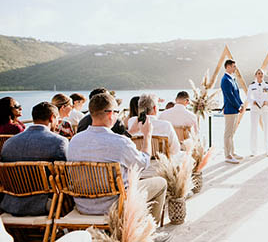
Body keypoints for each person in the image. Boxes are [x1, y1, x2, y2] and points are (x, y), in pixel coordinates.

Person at [67, 93, 167, 224]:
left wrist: (130, 132)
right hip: (115, 205)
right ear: (110, 114)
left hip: (83, 206)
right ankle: (148, 231)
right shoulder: (121, 142)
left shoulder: (74, 141)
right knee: (161, 183)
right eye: (116, 112)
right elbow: (143, 164)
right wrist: (147, 135)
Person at [1, 102, 68, 216]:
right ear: (52, 117)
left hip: (11, 204)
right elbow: (65, 175)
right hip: (44, 204)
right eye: (57, 119)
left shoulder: (9, 143)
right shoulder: (59, 142)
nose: (57, 124)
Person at [220, 59, 245, 164]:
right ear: (228, 67)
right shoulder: (225, 79)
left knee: (232, 133)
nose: (235, 68)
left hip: (235, 109)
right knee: (228, 133)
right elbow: (229, 96)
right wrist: (238, 107)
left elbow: (236, 94)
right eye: (234, 66)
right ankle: (227, 155)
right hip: (230, 109)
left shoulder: (232, 79)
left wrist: (241, 104)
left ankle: (232, 152)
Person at [247, 69, 268, 156]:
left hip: (265, 108)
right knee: (253, 129)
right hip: (255, 108)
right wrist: (252, 102)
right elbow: (248, 97)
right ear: (255, 75)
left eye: (262, 73)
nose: (260, 75)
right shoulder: (251, 85)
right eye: (259, 73)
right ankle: (253, 151)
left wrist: (267, 102)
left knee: (267, 128)